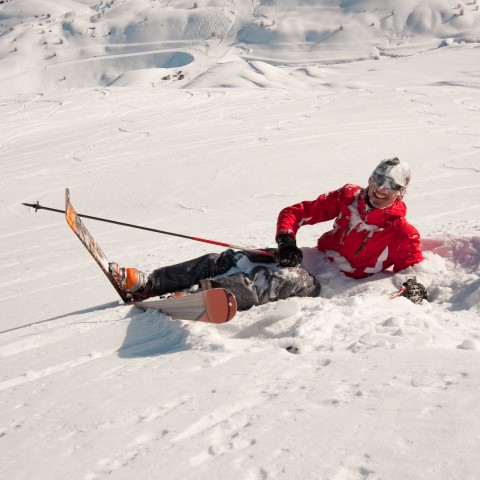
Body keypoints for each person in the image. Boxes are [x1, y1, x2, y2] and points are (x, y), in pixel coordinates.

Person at [112, 157, 427, 309]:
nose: (380, 189)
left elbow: (416, 268)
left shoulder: (401, 233)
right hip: (314, 261)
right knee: (233, 257)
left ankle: (199, 298)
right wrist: (286, 240)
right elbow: (296, 213)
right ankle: (149, 283)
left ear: (402, 192)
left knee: (280, 279)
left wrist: (415, 288)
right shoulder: (349, 199)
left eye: (391, 186)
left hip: (336, 286)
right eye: (377, 179)